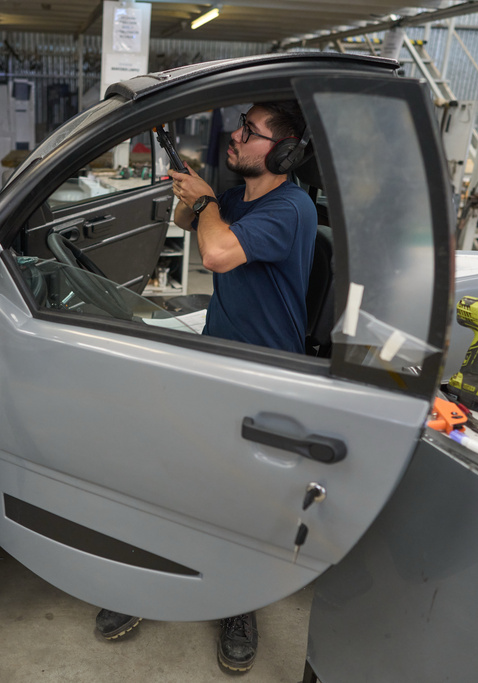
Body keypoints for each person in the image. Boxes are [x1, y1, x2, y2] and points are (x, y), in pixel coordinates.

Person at [95, 101, 318, 674]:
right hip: (220, 359)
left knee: (239, 501)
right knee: (174, 471)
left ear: (285, 151)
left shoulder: (291, 207)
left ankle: (236, 604)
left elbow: (216, 253)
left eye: (250, 131)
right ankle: (149, 581)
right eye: (240, 126)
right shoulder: (240, 197)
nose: (236, 136)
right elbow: (184, 223)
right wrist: (190, 193)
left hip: (264, 375)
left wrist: (207, 202)